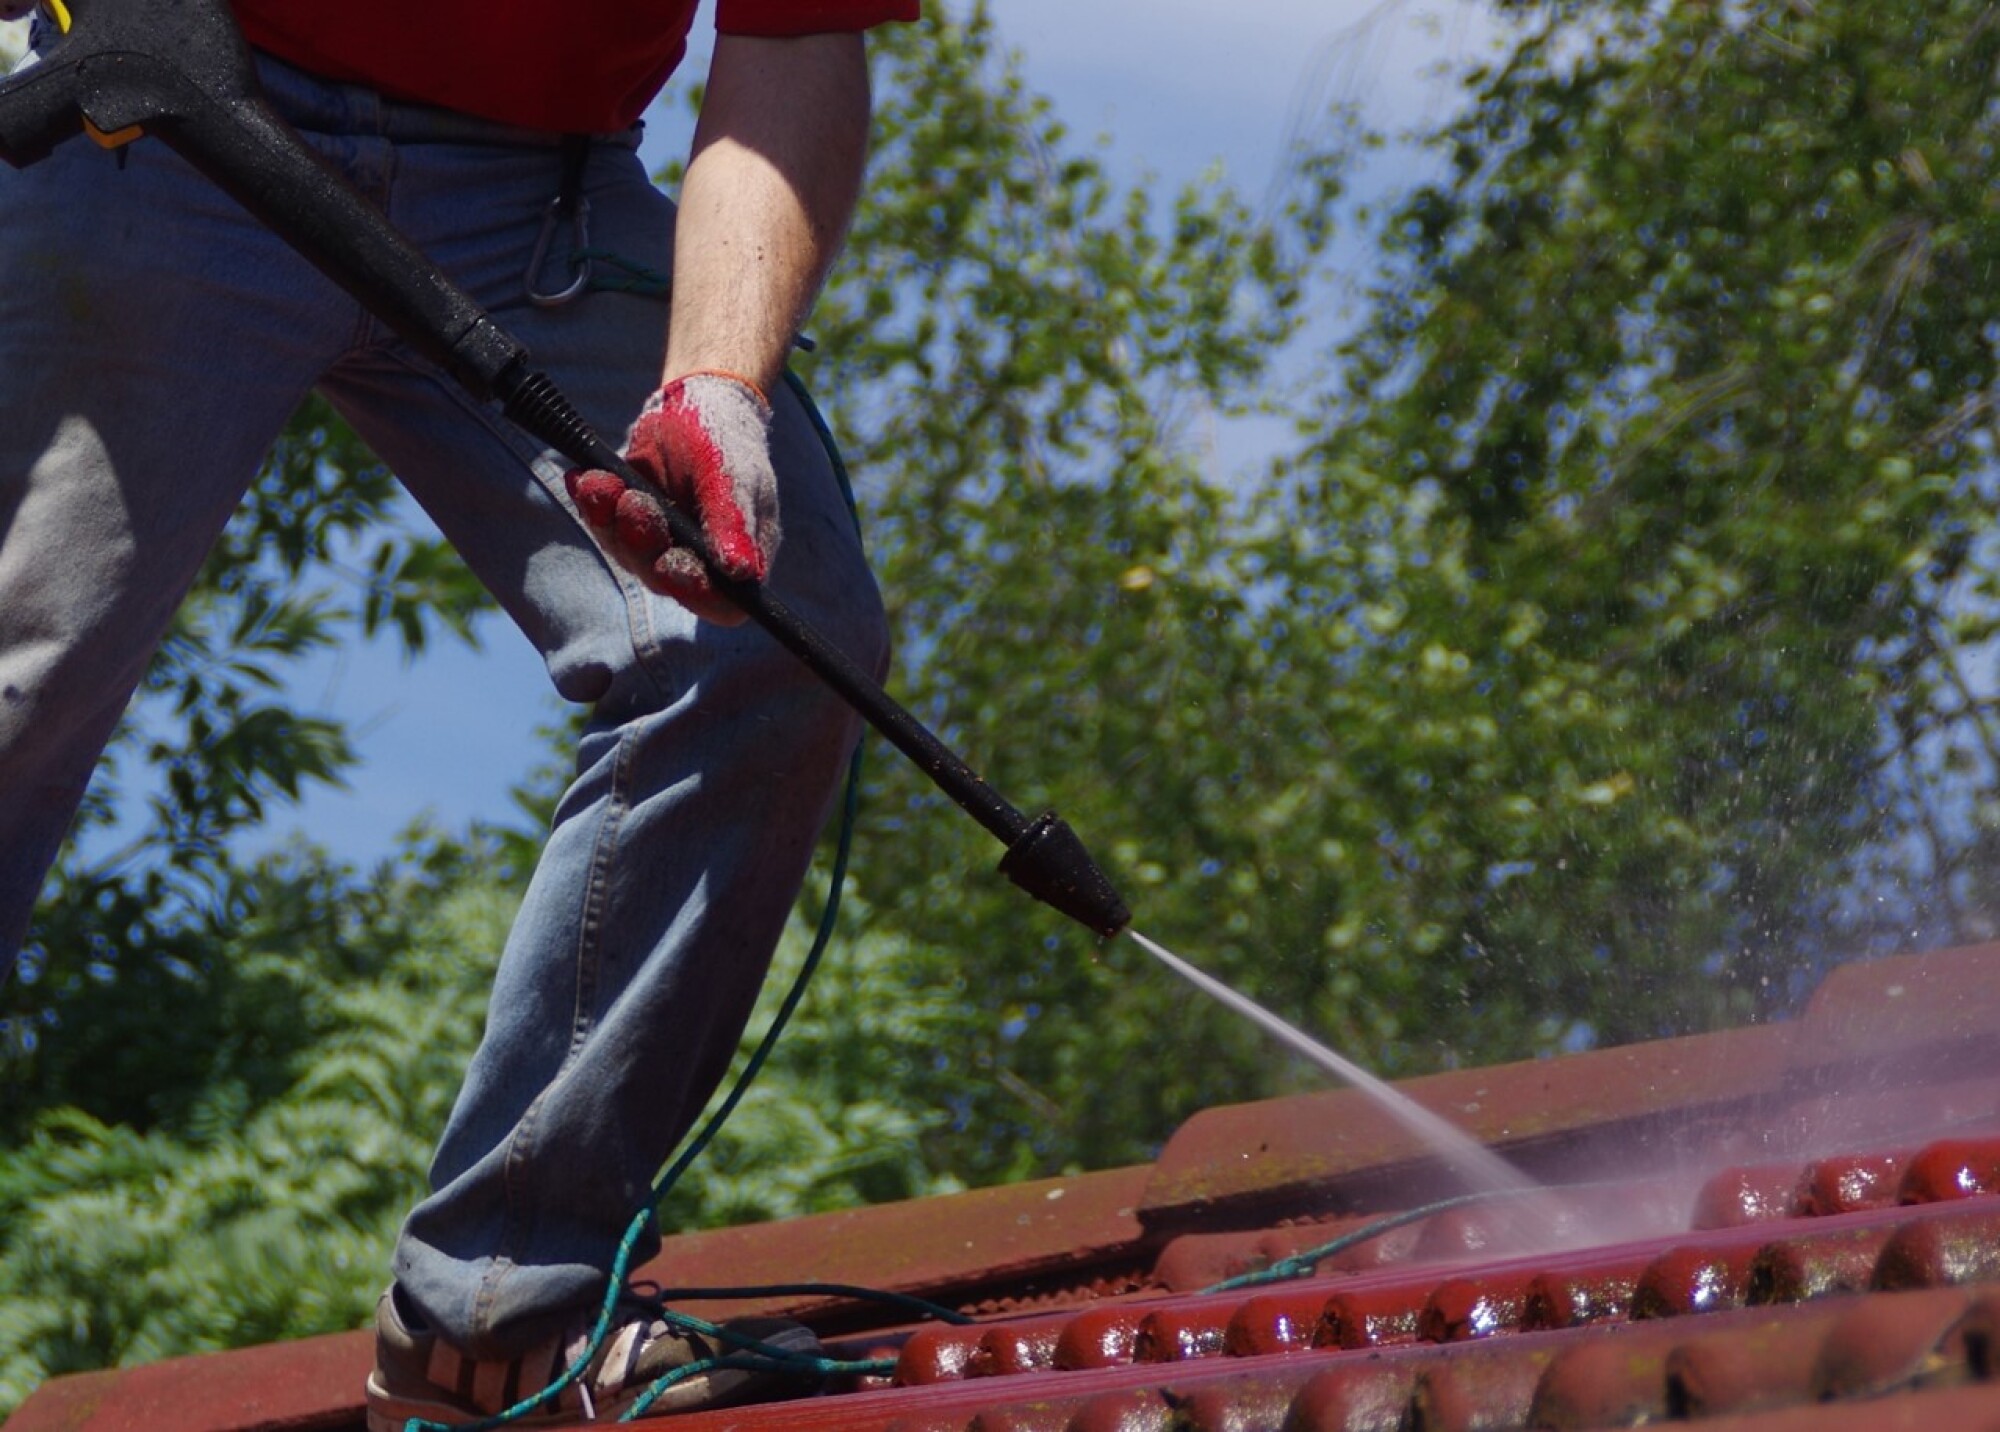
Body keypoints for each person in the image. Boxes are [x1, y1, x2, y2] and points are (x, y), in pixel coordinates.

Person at [0, 0, 913, 1424]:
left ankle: (503, 1311)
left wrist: (719, 385)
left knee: (765, 627)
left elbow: (796, 39)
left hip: (534, 198)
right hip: (160, 96)